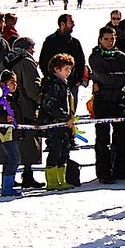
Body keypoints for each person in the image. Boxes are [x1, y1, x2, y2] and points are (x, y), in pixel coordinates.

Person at [88, 26, 125, 183]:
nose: (109, 42)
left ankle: (120, 169)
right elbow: (103, 77)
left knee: (121, 137)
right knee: (102, 139)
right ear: (100, 39)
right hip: (103, 101)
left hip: (120, 100)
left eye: (112, 39)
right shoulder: (95, 57)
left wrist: (115, 79)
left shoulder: (121, 56)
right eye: (106, 39)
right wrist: (116, 79)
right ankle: (104, 172)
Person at [2, 37, 44, 188]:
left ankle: (7, 177)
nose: (33, 50)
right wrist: (41, 101)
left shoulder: (6, 60)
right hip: (26, 108)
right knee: (29, 143)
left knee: (9, 144)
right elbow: (32, 87)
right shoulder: (26, 62)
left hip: (7, 108)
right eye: (32, 47)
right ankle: (28, 175)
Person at [39, 53, 76, 191]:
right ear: (56, 69)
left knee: (64, 150)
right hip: (54, 124)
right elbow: (49, 105)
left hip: (63, 125)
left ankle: (62, 178)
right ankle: (52, 180)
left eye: (70, 69)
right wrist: (65, 117)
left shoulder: (63, 85)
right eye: (66, 69)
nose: (69, 72)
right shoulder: (53, 85)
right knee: (55, 150)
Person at [39, 14, 85, 111]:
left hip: (72, 84)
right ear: (62, 24)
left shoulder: (75, 42)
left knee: (71, 113)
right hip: (54, 85)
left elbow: (81, 62)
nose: (73, 24)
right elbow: (43, 61)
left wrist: (79, 79)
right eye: (71, 22)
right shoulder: (50, 41)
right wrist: (50, 77)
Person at [0, 70, 21, 196]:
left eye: (15, 82)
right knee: (15, 158)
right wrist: (4, 118)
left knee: (9, 158)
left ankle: (6, 185)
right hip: (5, 132)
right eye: (11, 82)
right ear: (2, 83)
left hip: (13, 131)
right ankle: (7, 187)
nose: (14, 85)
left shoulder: (11, 97)